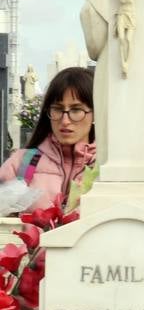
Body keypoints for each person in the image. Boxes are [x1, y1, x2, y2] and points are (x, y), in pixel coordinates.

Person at [0, 66, 96, 211]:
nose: (65, 121)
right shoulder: (24, 163)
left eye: (76, 110)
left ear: (96, 113)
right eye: (57, 109)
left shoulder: (106, 167)